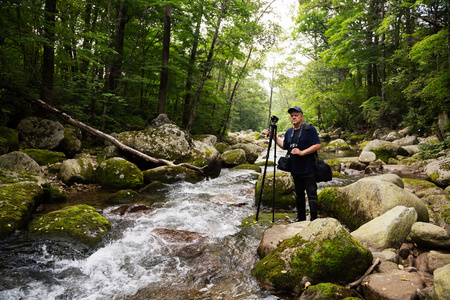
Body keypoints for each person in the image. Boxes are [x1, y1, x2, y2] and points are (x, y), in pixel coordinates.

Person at [273, 106, 321, 222]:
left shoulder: (309, 129)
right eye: (292, 116)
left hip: (309, 168)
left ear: (302, 117)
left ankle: (314, 219)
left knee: (311, 195)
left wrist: (302, 152)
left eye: (296, 115)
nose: (293, 117)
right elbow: (285, 146)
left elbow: (317, 145)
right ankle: (301, 218)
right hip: (295, 169)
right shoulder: (289, 132)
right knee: (299, 195)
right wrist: (274, 137)